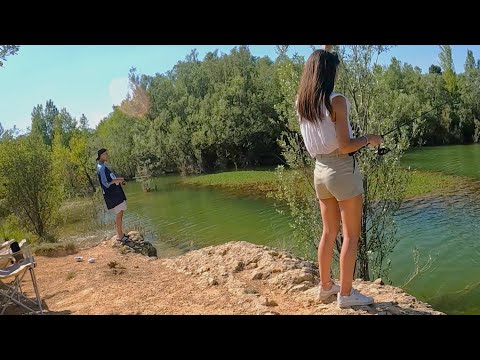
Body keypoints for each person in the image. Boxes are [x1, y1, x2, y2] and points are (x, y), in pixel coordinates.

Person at [296, 46, 384, 308]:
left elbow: (319, 62)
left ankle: (326, 288)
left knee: (328, 231)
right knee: (351, 235)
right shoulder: (337, 101)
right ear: (328, 72)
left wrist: (326, 49)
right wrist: (370, 139)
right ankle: (346, 295)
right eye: (333, 68)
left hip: (319, 171)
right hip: (341, 170)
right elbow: (345, 146)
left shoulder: (302, 102)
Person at [96, 148, 129, 243]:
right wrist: (118, 180)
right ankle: (120, 236)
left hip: (114, 193)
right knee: (119, 213)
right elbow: (105, 183)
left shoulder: (101, 166)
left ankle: (120, 233)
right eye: (105, 154)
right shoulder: (101, 168)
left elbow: (110, 179)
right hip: (113, 194)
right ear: (101, 155)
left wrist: (119, 179)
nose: (107, 155)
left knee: (120, 213)